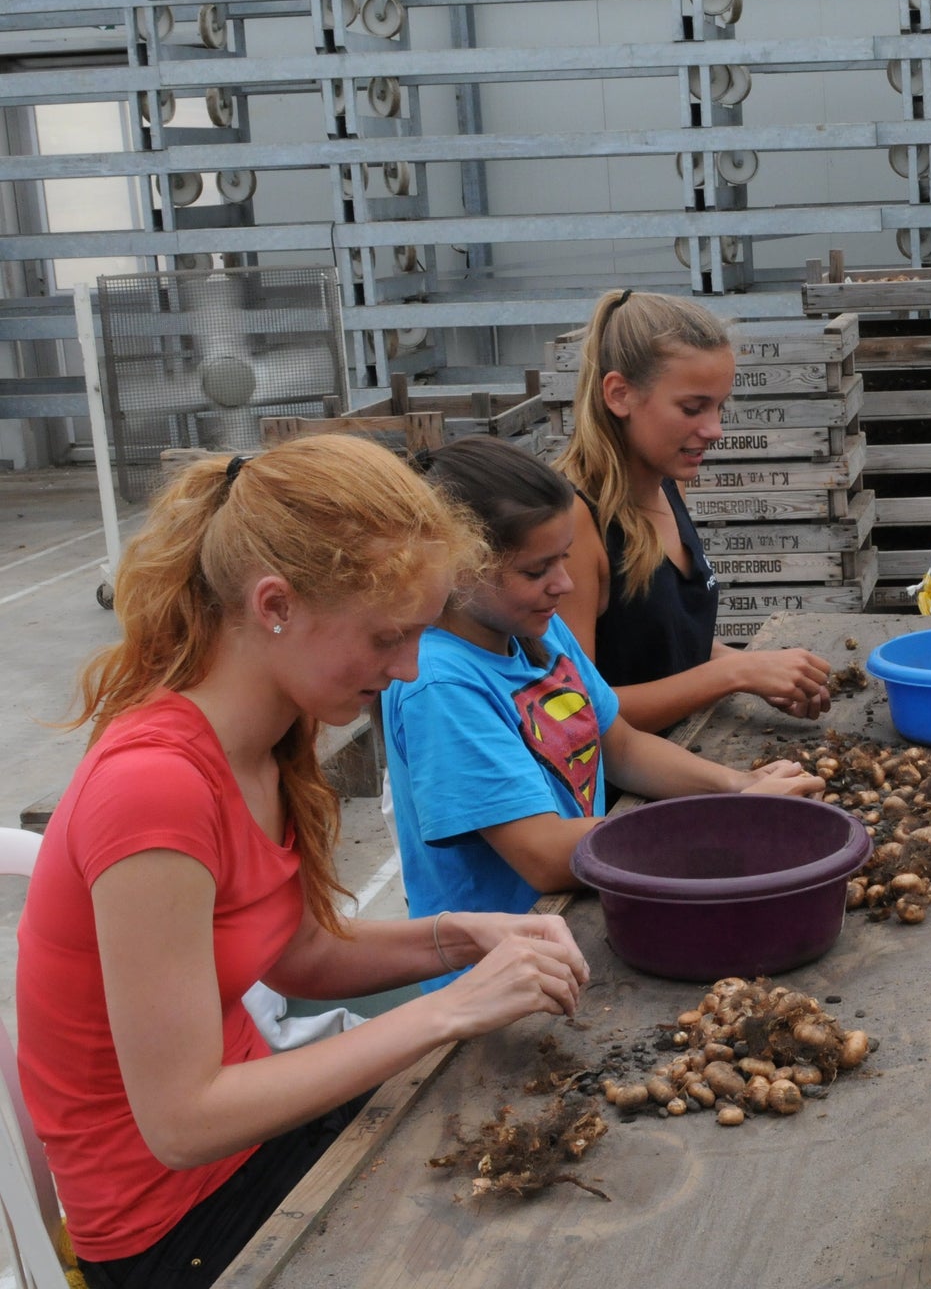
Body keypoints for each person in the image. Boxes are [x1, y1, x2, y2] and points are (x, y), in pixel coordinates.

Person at [16, 438, 592, 1288]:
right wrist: (450, 1011)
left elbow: (296, 956)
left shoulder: (270, 737)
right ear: (275, 604)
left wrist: (458, 937)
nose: (407, 670)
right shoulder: (155, 787)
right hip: (171, 1221)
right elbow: (179, 1122)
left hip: (259, 1138)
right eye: (389, 638)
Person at [385, 437, 822, 950]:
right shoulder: (440, 685)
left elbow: (625, 749)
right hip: (504, 965)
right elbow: (546, 857)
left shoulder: (539, 632)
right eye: (536, 570)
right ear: (457, 569)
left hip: (577, 923)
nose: (565, 584)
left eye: (564, 560)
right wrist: (724, 825)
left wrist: (740, 785)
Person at [554, 289, 832, 733]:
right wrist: (733, 675)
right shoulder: (572, 520)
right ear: (619, 394)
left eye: (720, 406)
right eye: (692, 407)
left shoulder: (668, 485)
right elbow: (578, 710)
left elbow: (666, 643)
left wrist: (762, 671)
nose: (715, 430)